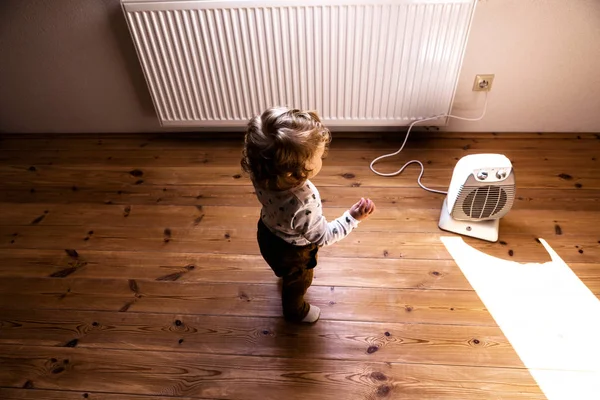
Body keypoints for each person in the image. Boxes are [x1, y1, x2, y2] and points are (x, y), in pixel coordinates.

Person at [241, 107, 375, 323]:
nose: (323, 157)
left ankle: (283, 273)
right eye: (319, 156)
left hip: (266, 233)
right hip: (294, 252)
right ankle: (295, 312)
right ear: (292, 171)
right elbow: (323, 236)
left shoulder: (261, 172)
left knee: (281, 267)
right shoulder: (304, 199)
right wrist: (351, 218)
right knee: (297, 282)